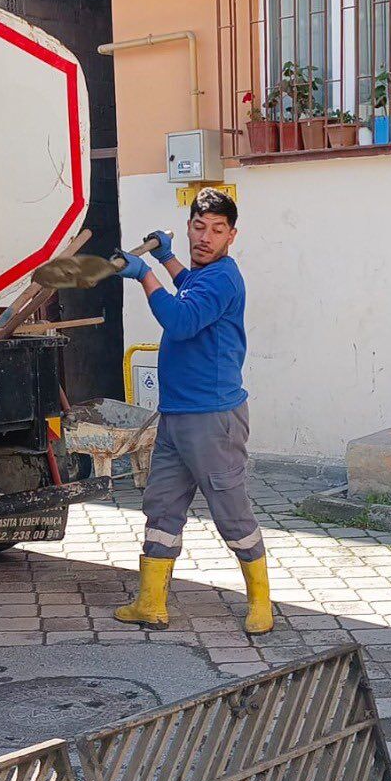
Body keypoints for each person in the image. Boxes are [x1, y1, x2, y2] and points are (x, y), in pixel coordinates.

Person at [110, 188, 272, 634]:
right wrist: (166, 260)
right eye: (199, 227)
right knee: (161, 507)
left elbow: (180, 321)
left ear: (231, 236)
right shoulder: (203, 275)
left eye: (217, 230)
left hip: (212, 419)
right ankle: (150, 602)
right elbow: (189, 287)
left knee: (231, 510)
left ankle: (261, 601)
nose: (206, 237)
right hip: (177, 416)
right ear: (188, 228)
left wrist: (145, 274)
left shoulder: (223, 278)